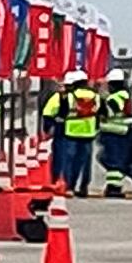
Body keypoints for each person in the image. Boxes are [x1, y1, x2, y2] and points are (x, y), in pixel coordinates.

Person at [41, 67, 104, 195]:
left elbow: (48, 112)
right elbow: (101, 113)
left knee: (68, 161)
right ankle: (83, 187)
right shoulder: (95, 97)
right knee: (85, 163)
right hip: (88, 133)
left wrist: (47, 128)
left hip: (69, 133)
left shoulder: (64, 97)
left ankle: (69, 187)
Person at [99, 69, 132, 195]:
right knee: (112, 160)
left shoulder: (118, 96)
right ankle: (114, 185)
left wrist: (102, 100)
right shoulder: (123, 95)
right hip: (117, 132)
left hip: (114, 132)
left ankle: (114, 187)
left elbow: (109, 111)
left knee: (114, 162)